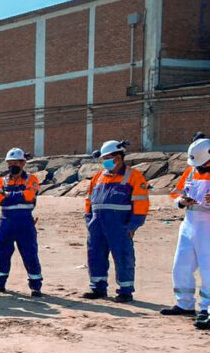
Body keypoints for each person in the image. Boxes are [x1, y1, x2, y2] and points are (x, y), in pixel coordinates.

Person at [82, 140, 149, 303]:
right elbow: (89, 201)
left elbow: (141, 204)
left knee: (123, 256)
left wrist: (133, 225)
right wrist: (88, 220)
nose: (105, 162)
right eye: (104, 158)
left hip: (120, 225)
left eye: (108, 158)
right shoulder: (98, 177)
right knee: (95, 254)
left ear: (119, 157)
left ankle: (125, 290)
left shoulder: (134, 176)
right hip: (97, 224)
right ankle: (98, 288)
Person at [162, 133, 210, 328]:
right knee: (181, 265)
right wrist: (181, 201)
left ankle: (207, 309)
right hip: (189, 222)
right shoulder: (191, 171)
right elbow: (176, 191)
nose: (201, 167)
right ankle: (184, 304)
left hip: (207, 225)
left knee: (208, 269)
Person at [0, 148, 44, 297]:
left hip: (25, 222)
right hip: (6, 222)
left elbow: (30, 195)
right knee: (2, 254)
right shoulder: (1, 181)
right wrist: (20, 195)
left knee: (30, 253)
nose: (12, 166)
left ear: (23, 163)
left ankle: (36, 287)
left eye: (15, 163)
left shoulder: (32, 179)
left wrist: (8, 195)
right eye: (10, 163)